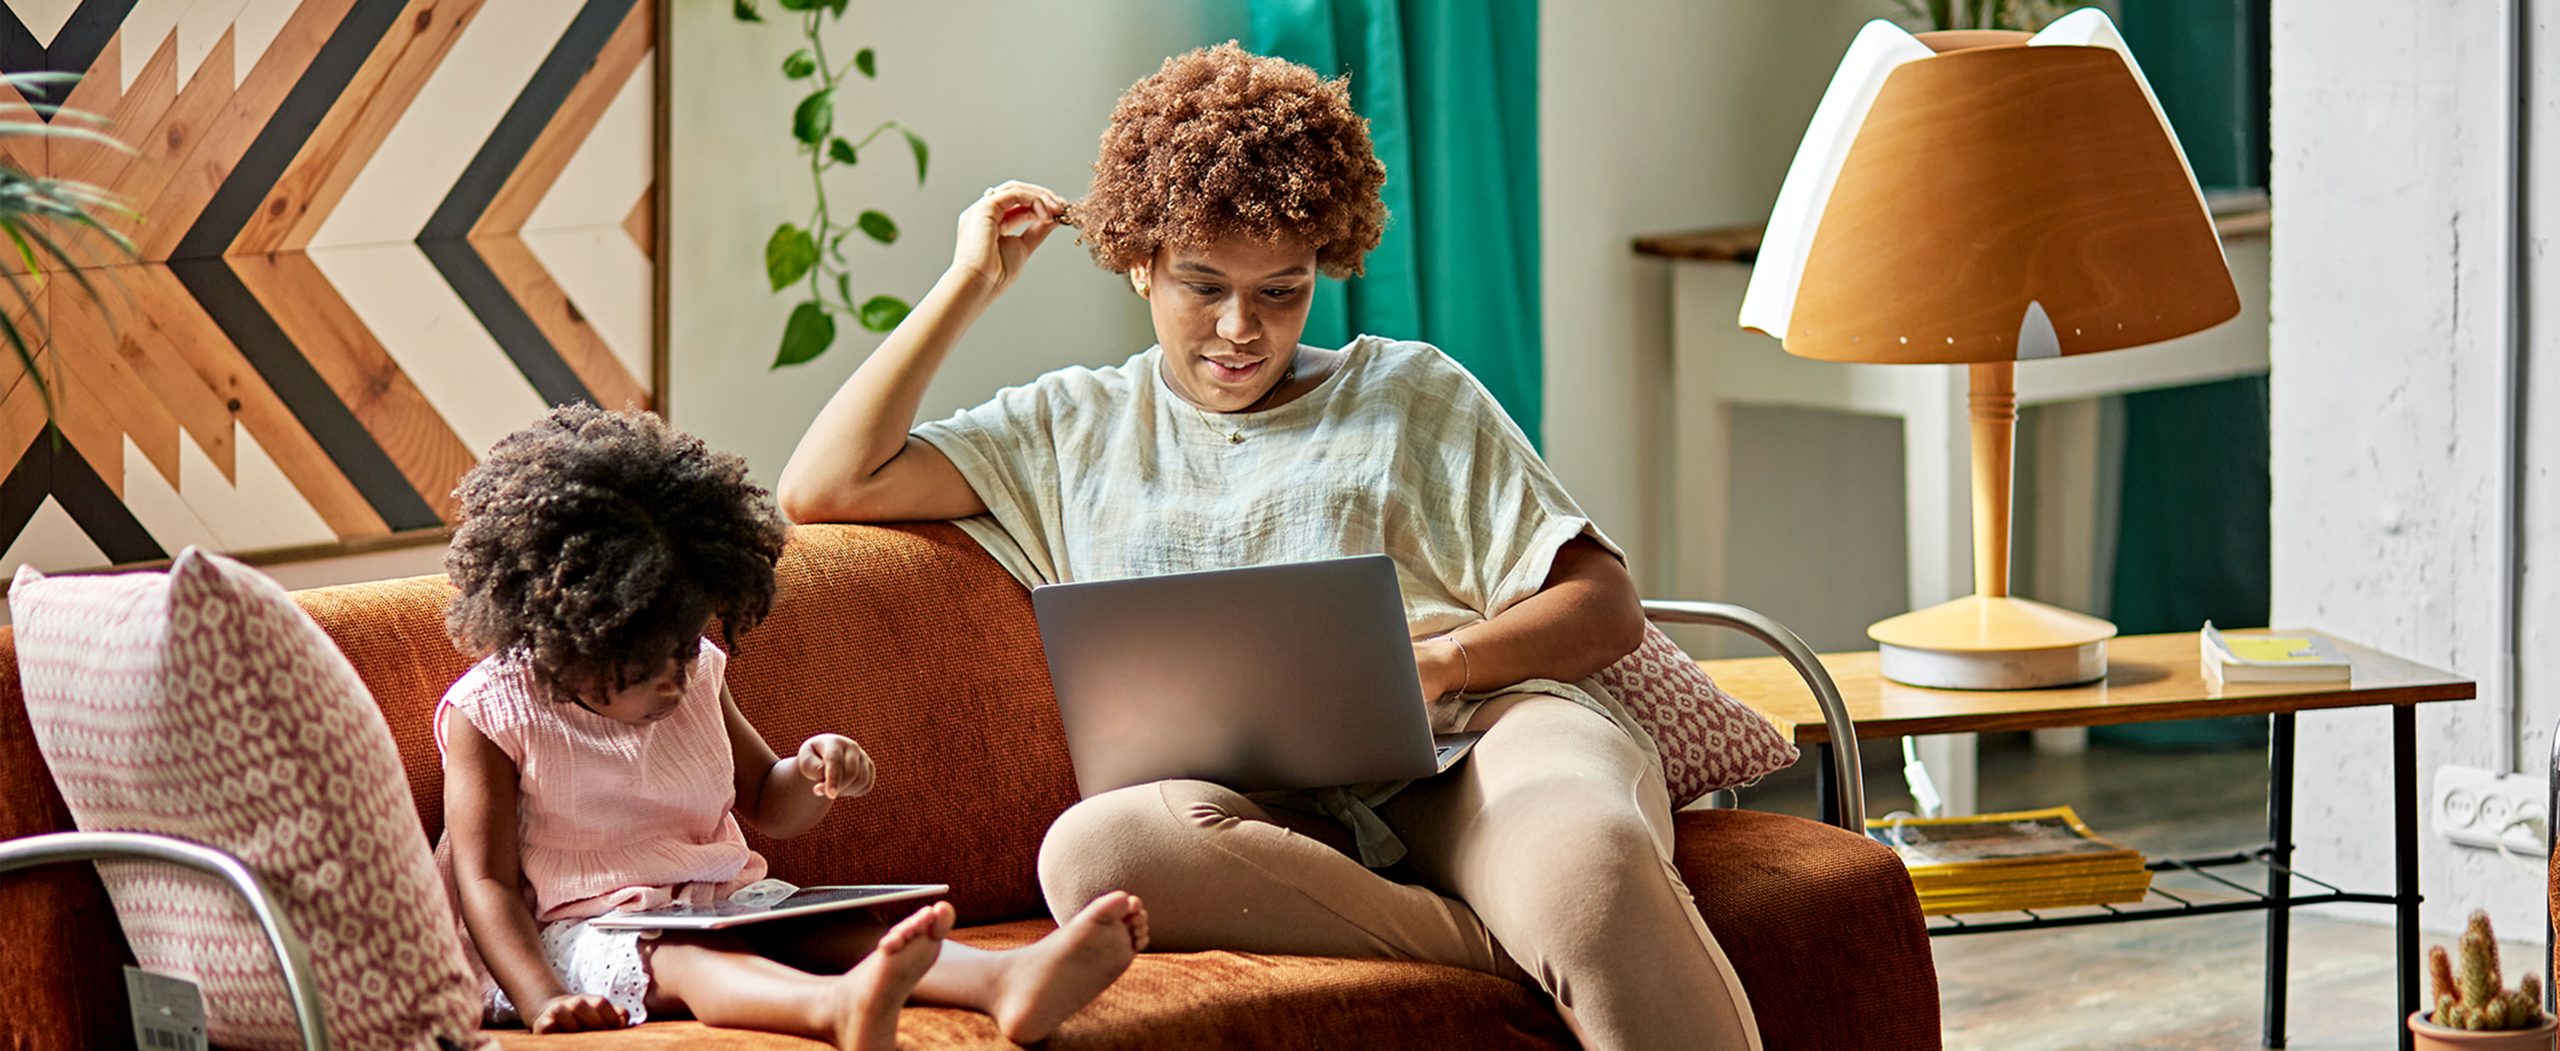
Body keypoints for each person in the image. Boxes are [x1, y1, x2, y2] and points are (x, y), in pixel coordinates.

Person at [776, 42, 1760, 1051]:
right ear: (1139, 263)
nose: (1240, 329)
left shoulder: (1409, 393)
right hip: (1257, 819)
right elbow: (824, 485)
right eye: (1203, 286)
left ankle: (1560, 922)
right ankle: (1507, 944)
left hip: (1475, 746)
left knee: (1587, 866)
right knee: (1094, 849)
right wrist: (968, 282)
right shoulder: (1073, 425)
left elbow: (1602, 604)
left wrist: (1441, 662)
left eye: (1281, 292)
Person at [437, 405, 1151, 1050]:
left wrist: (813, 772)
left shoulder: (696, 676)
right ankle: (833, 1008)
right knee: (688, 962)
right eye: (643, 663)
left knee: (828, 926)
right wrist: (544, 998)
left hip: (715, 903)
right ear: (566, 637)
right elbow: (487, 882)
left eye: (684, 647)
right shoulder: (493, 713)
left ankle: (1005, 980)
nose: (674, 680)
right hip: (578, 936)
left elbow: (769, 803)